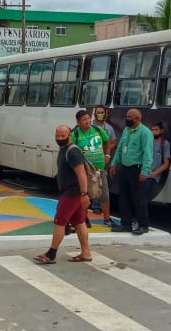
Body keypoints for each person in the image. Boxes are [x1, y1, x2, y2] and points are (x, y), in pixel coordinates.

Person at [33, 125, 92, 264]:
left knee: (59, 221)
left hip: (72, 193)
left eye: (62, 136)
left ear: (69, 136)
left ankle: (51, 254)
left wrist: (84, 193)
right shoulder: (64, 150)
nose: (59, 138)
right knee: (79, 222)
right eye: (57, 136)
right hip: (71, 192)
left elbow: (82, 173)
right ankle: (86, 253)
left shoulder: (72, 152)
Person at [108, 108, 153, 235]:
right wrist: (114, 163)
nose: (127, 119)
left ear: (137, 119)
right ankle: (126, 224)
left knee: (138, 199)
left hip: (137, 169)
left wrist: (144, 171)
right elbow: (120, 148)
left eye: (129, 117)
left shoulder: (145, 132)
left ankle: (143, 225)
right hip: (124, 168)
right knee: (124, 197)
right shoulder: (126, 130)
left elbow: (148, 154)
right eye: (127, 116)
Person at [72, 109, 113, 226]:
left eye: (88, 118)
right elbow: (72, 150)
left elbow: (107, 141)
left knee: (104, 193)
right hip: (85, 170)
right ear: (78, 122)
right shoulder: (75, 134)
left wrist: (107, 155)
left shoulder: (98, 129)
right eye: (84, 119)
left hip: (100, 169)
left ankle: (107, 219)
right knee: (85, 194)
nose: (87, 121)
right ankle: (84, 219)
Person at [91, 105, 118, 213]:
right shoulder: (89, 125)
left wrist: (106, 152)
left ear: (106, 114)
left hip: (102, 160)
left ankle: (96, 206)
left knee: (100, 182)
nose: (100, 114)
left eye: (102, 112)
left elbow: (114, 142)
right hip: (89, 158)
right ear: (94, 113)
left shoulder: (109, 128)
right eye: (98, 112)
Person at [145, 121, 171, 200]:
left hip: (152, 176)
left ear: (162, 131)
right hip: (143, 173)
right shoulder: (147, 142)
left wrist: (154, 173)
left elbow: (166, 164)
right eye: (152, 130)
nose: (154, 132)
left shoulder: (165, 144)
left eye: (156, 130)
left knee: (144, 197)